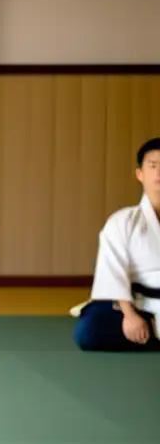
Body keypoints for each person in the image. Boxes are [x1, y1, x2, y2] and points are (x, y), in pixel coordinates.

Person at [72, 137, 160, 352]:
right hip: (136, 303)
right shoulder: (122, 221)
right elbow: (113, 272)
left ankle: (149, 336)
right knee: (90, 331)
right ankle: (145, 331)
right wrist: (129, 316)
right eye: (153, 165)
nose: (159, 173)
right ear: (140, 174)